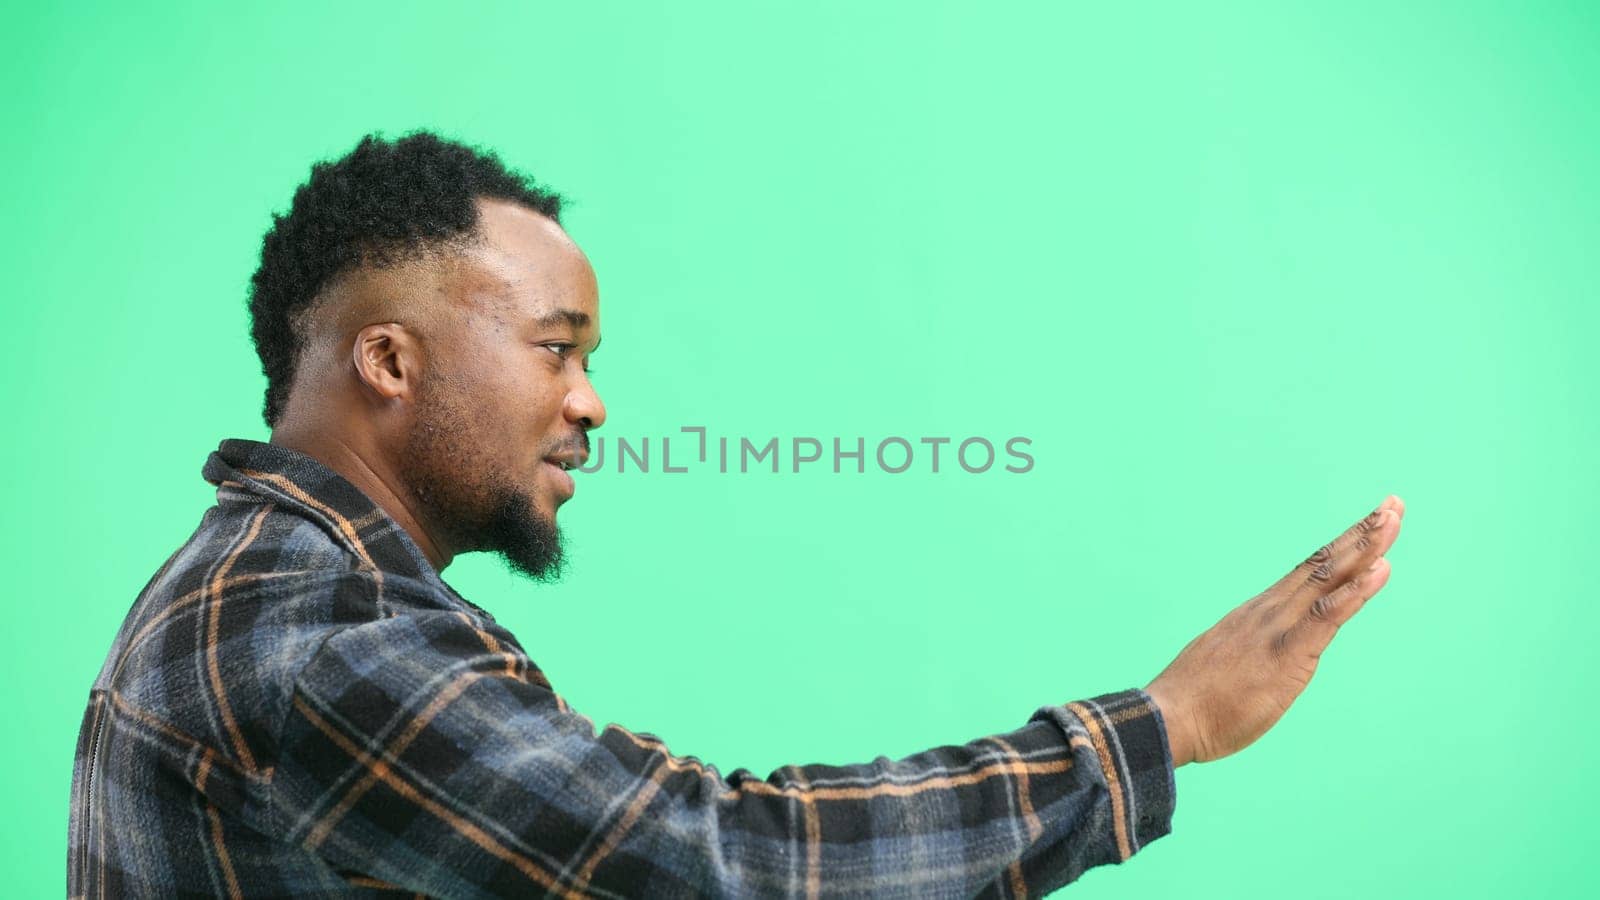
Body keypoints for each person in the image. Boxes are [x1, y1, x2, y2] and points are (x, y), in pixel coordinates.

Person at [67, 131, 1406, 898]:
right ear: (391, 360)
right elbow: (725, 870)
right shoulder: (326, 636)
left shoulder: (269, 580)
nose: (591, 405)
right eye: (557, 348)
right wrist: (1161, 727)